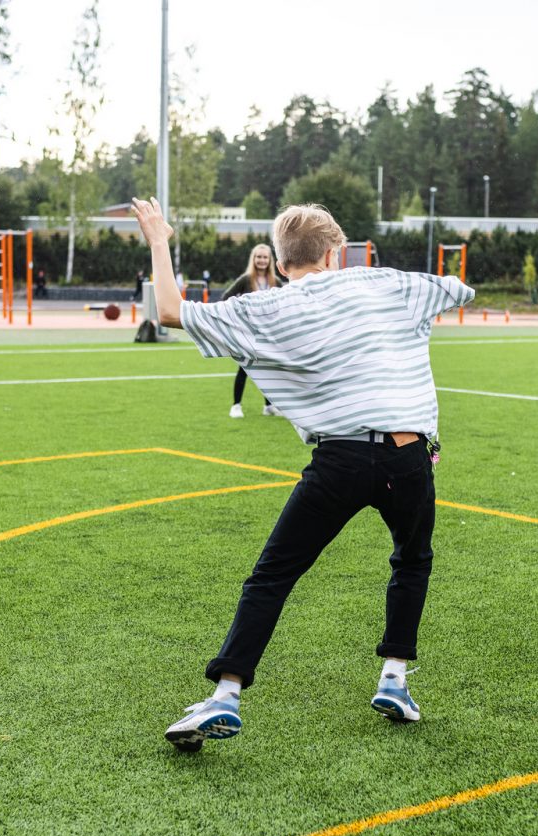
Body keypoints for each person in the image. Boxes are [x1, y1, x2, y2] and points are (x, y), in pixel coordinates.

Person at [129, 195, 472, 751]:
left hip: (338, 459)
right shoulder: (385, 283)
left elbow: (170, 311)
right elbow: (456, 290)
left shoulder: (271, 306)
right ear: (339, 252)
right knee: (412, 561)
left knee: (273, 574)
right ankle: (394, 681)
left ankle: (227, 694)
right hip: (409, 457)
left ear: (281, 264)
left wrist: (160, 240)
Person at [220, 243, 285, 419]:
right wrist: (238, 319)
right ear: (253, 259)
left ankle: (269, 406)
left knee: (269, 370)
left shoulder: (276, 282)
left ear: (270, 260)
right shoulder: (246, 279)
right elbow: (226, 298)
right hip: (248, 333)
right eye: (258, 257)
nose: (262, 260)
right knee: (244, 369)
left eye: (265, 257)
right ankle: (236, 405)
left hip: (268, 334)